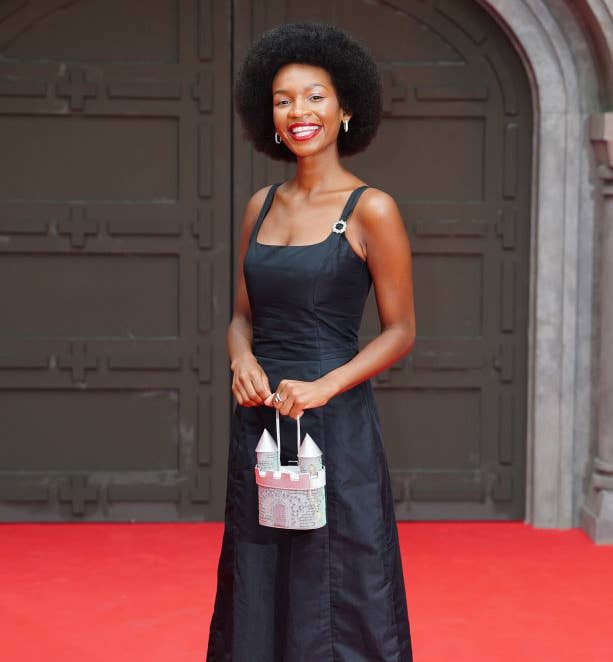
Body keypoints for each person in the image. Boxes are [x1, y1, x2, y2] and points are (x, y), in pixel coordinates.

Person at [207, 21, 415, 661]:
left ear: (346, 107)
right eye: (283, 99)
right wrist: (240, 358)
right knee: (260, 571)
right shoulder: (260, 204)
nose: (299, 112)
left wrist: (324, 386)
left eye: (315, 96)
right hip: (262, 421)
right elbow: (242, 316)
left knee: (340, 581)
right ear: (268, 115)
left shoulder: (371, 208)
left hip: (336, 423)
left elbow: (401, 329)